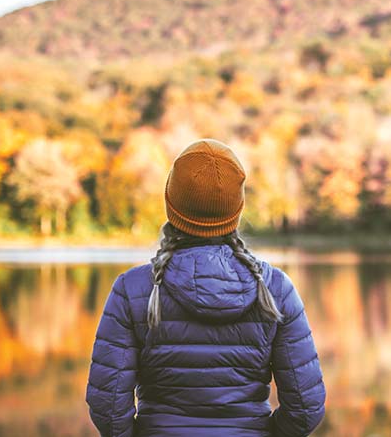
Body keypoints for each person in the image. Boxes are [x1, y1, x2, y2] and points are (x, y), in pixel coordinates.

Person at [86, 139, 326, 437]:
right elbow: (306, 407)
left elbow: (107, 406)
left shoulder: (133, 289)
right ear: (236, 210)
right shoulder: (276, 289)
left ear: (172, 206)